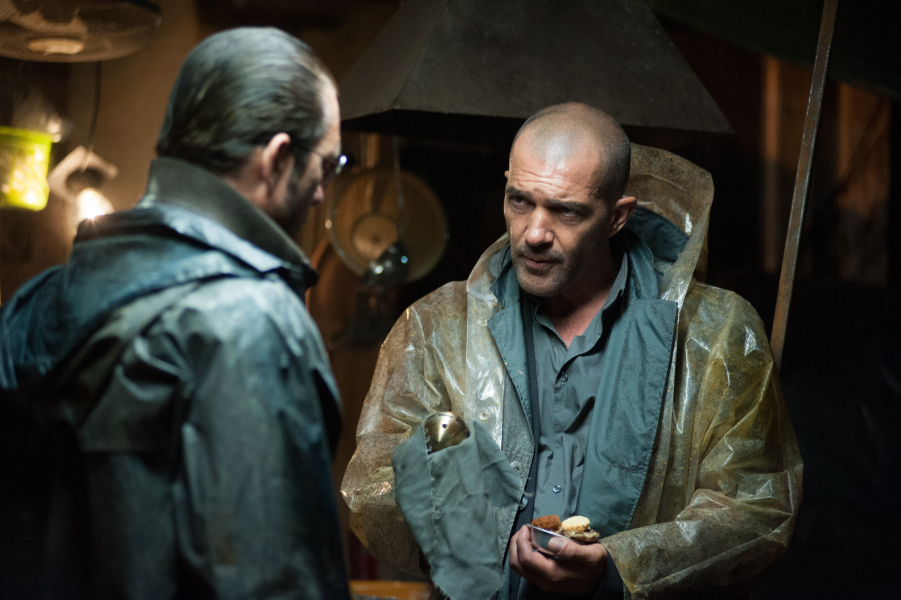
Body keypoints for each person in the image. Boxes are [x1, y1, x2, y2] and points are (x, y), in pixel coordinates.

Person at [342, 103, 802, 599]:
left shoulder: (713, 336)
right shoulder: (438, 327)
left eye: (566, 211)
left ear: (617, 216)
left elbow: (755, 509)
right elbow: (374, 483)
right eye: (520, 201)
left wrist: (619, 568)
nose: (535, 233)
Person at [0, 28, 351, 600]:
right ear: (278, 158)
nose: (320, 194)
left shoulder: (35, 302)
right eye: (328, 165)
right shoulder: (252, 322)